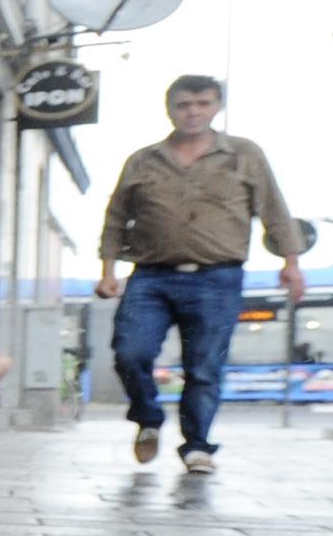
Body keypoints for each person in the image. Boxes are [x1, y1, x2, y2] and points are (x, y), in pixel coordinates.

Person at [94, 75, 305, 476]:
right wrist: (108, 271)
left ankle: (196, 446)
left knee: (204, 365)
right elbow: (116, 217)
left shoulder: (244, 154)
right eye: (184, 104)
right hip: (151, 277)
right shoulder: (142, 160)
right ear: (169, 108)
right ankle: (148, 418)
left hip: (217, 278)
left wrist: (290, 263)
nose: (193, 112)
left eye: (203, 103)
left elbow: (274, 209)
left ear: (216, 107)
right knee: (130, 352)